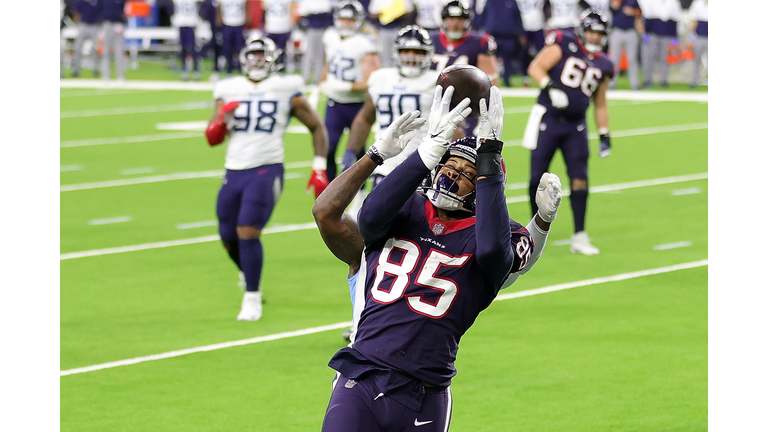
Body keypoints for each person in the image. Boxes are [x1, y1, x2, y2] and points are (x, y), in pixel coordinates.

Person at [320, 85, 563, 432]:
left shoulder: (495, 235)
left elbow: (499, 259)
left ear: (482, 189)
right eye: (449, 165)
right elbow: (366, 217)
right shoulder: (407, 207)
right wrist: (424, 150)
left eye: (468, 174)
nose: (452, 174)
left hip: (426, 390)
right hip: (363, 375)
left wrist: (493, 162)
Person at [205, 37, 330, 321]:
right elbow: (212, 138)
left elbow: (316, 126)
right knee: (227, 236)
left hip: (266, 168)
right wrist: (223, 119)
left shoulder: (286, 87)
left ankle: (252, 296)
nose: (257, 61)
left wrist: (319, 166)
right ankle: (247, 272)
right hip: (233, 169)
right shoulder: (228, 88)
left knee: (248, 230)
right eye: (253, 55)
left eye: (263, 55)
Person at [522, 8, 613, 255]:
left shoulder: (604, 64)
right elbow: (536, 67)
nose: (595, 37)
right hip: (548, 119)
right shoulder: (564, 42)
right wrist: (550, 87)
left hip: (576, 125)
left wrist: (604, 133)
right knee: (536, 178)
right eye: (591, 32)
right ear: (582, 31)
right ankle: (531, 233)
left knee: (580, 178)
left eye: (599, 33)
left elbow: (600, 102)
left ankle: (579, 235)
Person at [319, 0, 381, 181]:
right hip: (335, 103)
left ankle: (359, 189)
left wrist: (346, 86)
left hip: (358, 105)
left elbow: (372, 79)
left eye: (351, 20)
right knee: (328, 148)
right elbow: (328, 62)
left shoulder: (365, 42)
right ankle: (329, 189)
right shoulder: (330, 36)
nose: (346, 24)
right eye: (343, 19)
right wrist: (322, 81)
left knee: (357, 152)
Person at [431, 0, 499, 136]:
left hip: (465, 104)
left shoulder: (479, 42)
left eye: (460, 19)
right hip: (433, 100)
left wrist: (485, 111)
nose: (455, 24)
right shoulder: (430, 40)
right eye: (451, 19)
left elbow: (491, 81)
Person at [475, 0, 526, 87]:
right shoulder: (490, 1)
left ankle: (507, 81)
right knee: (489, 60)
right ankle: (488, 81)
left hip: (508, 36)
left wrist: (521, 33)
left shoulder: (512, 2)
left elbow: (517, 17)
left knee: (507, 60)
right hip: (492, 36)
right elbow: (483, 16)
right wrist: (478, 31)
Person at [639, 0, 681, 88]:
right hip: (652, 34)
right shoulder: (652, 2)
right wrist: (645, 33)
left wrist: (675, 36)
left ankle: (663, 80)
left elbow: (676, 20)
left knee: (664, 59)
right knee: (649, 58)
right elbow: (646, 17)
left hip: (667, 35)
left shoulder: (674, 2)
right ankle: (647, 80)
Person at [368, 0, 416, 68]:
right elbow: (372, 14)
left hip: (399, 29)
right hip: (382, 30)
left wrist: (398, 12)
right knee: (384, 55)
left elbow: (410, 11)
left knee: (399, 54)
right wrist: (386, 12)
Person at [295, 0, 334, 84]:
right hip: (311, 29)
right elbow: (302, 15)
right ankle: (305, 78)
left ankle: (317, 79)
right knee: (309, 54)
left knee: (319, 56)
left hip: (323, 29)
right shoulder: (308, 3)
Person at [607, 0, 642, 89]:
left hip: (630, 31)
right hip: (617, 30)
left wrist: (632, 12)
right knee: (614, 59)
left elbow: (639, 12)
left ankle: (634, 83)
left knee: (632, 59)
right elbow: (612, 8)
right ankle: (611, 83)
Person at [516, 0, 547, 87]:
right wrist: (519, 31)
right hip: (524, 26)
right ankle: (525, 78)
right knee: (524, 54)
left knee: (542, 53)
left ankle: (544, 76)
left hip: (539, 26)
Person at [172, 0, 203, 81]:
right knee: (183, 48)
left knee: (193, 48)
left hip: (191, 24)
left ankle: (196, 70)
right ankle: (184, 70)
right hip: (181, 24)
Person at [217, 0, 250, 76]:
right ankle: (229, 68)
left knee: (239, 48)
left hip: (239, 23)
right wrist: (219, 19)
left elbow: (246, 6)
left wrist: (247, 17)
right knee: (227, 48)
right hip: (227, 23)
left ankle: (240, 68)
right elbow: (219, 7)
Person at [71, 0, 102, 78]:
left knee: (95, 48)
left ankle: (96, 69)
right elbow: (76, 13)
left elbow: (101, 12)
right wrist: (77, 23)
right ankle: (75, 70)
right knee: (77, 48)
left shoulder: (97, 2)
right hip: (83, 25)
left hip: (94, 26)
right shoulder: (80, 2)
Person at [98, 0, 127, 81]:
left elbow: (123, 9)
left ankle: (120, 76)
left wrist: (121, 22)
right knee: (106, 51)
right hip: (107, 24)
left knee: (119, 52)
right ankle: (106, 76)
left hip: (118, 24)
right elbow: (100, 10)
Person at [687, 0, 707, 89]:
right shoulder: (697, 3)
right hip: (699, 36)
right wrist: (691, 37)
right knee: (696, 60)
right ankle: (694, 81)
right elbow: (693, 21)